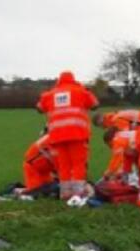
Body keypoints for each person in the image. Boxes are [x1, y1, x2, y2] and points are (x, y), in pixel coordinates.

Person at [36, 71, 98, 200]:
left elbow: (39, 108)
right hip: (77, 134)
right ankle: (78, 194)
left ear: (59, 80)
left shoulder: (49, 94)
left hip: (57, 136)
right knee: (78, 164)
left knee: (63, 165)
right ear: (73, 79)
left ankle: (65, 194)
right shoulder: (81, 91)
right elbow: (95, 105)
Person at [96, 109, 140, 207]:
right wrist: (124, 178)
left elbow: (116, 160)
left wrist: (107, 174)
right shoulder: (125, 140)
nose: (111, 148)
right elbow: (127, 163)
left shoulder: (117, 139)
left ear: (110, 140)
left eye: (110, 146)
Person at [20, 129, 59, 196]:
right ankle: (14, 193)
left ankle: (19, 191)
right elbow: (41, 148)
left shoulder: (55, 137)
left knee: (48, 190)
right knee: (34, 193)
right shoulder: (51, 138)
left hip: (45, 170)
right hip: (33, 168)